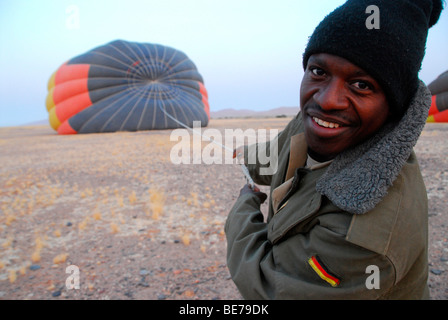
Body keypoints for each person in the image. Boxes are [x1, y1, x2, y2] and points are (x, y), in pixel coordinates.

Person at [225, 0, 444, 299]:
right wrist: (245, 157)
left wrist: (244, 207)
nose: (328, 100)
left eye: (361, 85)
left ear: (394, 105)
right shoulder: (320, 122)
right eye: (318, 71)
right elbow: (280, 151)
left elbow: (269, 285)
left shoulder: (366, 232)